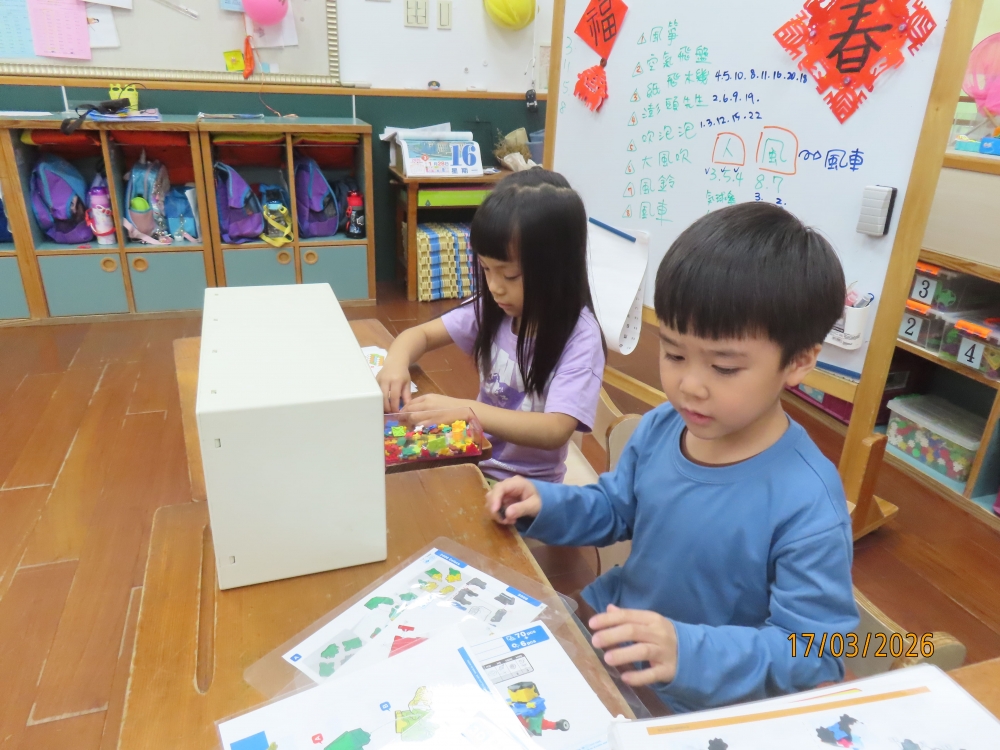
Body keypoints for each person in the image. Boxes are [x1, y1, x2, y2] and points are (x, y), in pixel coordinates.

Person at [485, 202, 860, 713]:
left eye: (724, 367)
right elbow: (615, 509)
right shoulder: (664, 426)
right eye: (675, 354)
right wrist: (545, 504)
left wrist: (687, 652)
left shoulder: (807, 501)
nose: (689, 386)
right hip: (612, 641)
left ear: (798, 361)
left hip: (701, 706)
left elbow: (818, 652)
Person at [377, 169, 606, 483]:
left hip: (525, 487)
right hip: (473, 456)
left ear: (557, 269)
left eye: (509, 275)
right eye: (486, 269)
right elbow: (421, 334)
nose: (495, 287)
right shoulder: (495, 308)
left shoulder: (580, 338)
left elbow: (555, 429)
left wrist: (467, 410)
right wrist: (395, 362)